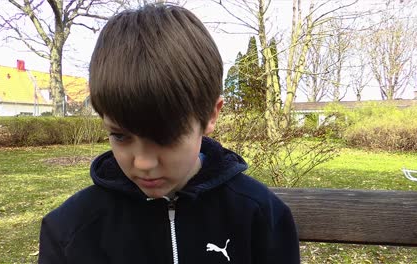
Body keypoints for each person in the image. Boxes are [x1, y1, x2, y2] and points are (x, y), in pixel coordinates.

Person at [38, 4, 299, 263]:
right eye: (120, 136)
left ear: (211, 115)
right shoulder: (69, 231)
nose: (143, 162)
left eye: (165, 137)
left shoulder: (260, 215)